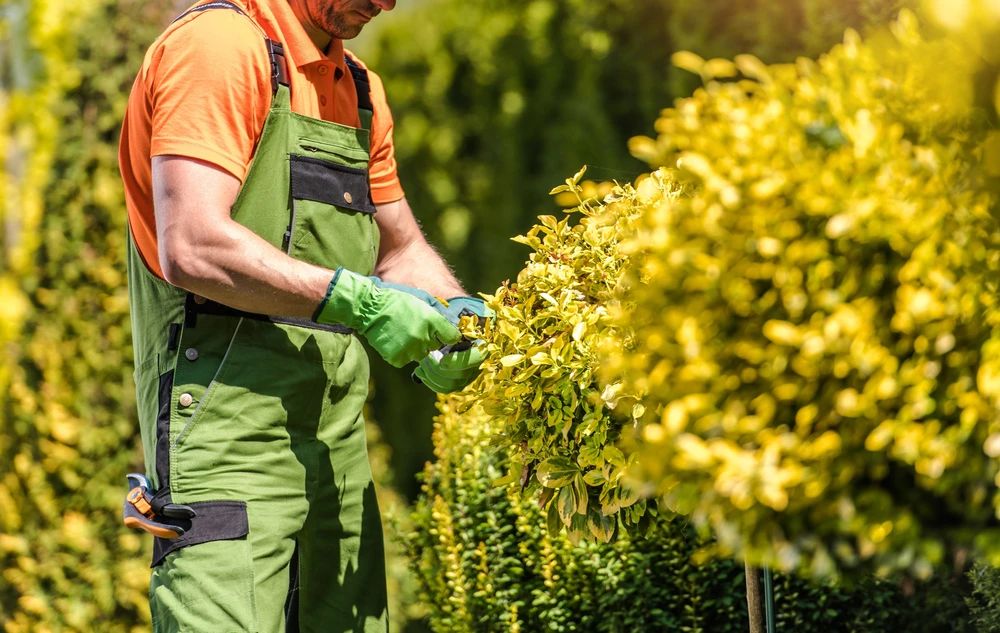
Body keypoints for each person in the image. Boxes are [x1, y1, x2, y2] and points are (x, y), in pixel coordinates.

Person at [117, 0, 488, 630]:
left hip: (334, 446)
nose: (387, 4)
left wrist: (462, 315)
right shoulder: (220, 47)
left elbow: (400, 249)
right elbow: (195, 245)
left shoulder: (360, 88)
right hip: (225, 435)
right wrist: (358, 301)